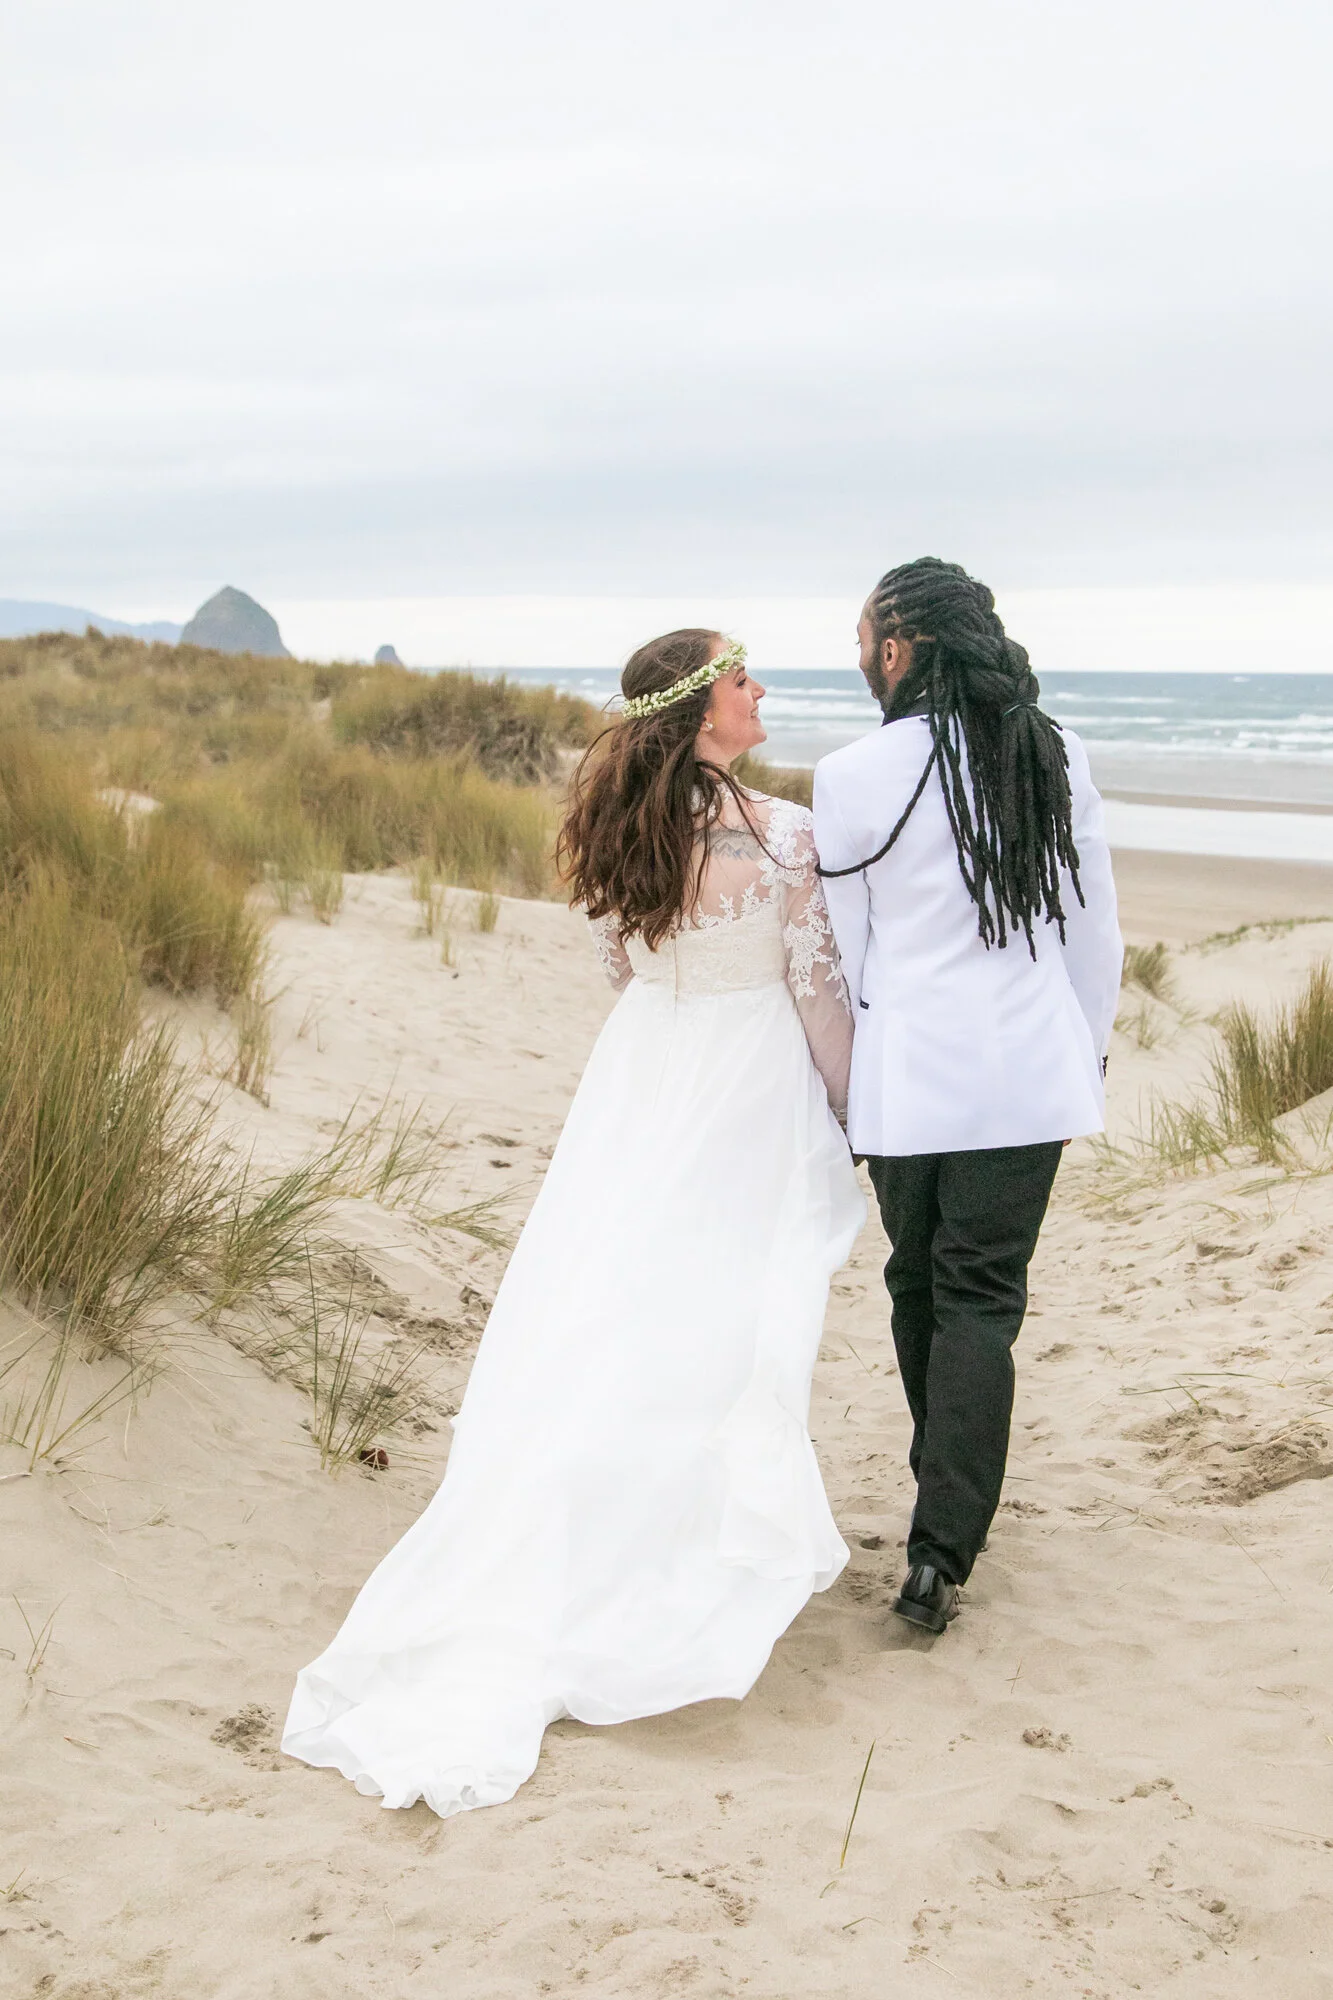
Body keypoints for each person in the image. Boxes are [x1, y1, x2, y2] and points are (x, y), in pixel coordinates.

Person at [283, 629, 864, 1817]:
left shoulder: (623, 829)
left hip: (643, 1078)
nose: (759, 692)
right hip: (746, 1086)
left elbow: (626, 967)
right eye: (741, 677)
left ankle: (609, 1514)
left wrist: (682, 1022)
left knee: (617, 1306)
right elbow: (817, 995)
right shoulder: (785, 836)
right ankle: (674, 1547)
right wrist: (857, 1117)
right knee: (722, 1316)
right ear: (703, 710)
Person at [813, 558, 1122, 1636]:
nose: (859, 659)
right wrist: (1084, 1051)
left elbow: (850, 955)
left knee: (919, 1282)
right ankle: (943, 1539)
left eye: (864, 640)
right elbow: (1093, 929)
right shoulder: (1053, 752)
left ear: (898, 647)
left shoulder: (851, 773)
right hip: (1029, 1075)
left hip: (911, 1076)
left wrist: (847, 1088)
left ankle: (944, 1495)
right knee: (981, 1295)